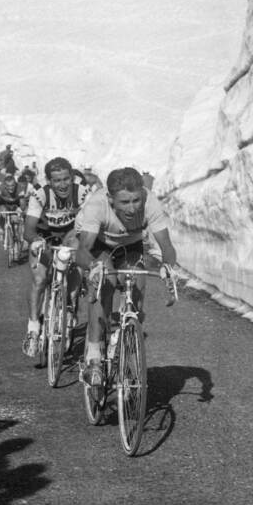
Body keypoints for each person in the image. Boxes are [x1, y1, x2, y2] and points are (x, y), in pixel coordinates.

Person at [75, 166, 178, 389]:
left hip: (131, 246)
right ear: (111, 199)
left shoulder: (150, 202)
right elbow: (82, 250)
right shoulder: (97, 204)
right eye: (124, 202)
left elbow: (167, 246)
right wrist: (93, 267)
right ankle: (93, 356)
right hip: (100, 246)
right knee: (106, 284)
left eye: (135, 200)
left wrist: (168, 268)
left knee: (137, 290)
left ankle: (130, 352)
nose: (132, 208)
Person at [21, 156, 83, 358]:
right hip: (44, 235)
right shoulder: (40, 195)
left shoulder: (81, 193)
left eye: (66, 179)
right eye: (57, 180)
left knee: (77, 251)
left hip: (69, 234)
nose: (63, 184)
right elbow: (28, 231)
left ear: (72, 177)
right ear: (49, 181)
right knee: (39, 279)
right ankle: (33, 327)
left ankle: (70, 306)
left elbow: (90, 224)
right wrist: (36, 241)